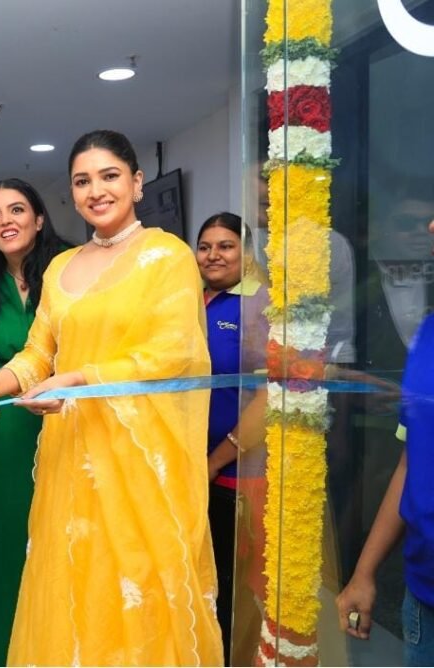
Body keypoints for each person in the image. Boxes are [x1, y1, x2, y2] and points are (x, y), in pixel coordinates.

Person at [0, 130, 223, 666]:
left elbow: (174, 353)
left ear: (137, 182)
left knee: (133, 583)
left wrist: (80, 379)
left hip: (139, 454)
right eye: (82, 181)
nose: (96, 190)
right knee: (70, 579)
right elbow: (39, 352)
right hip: (69, 452)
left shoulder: (167, 256)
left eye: (109, 176)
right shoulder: (60, 267)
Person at [0, 178, 68, 667]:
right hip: (12, 427)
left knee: (65, 533)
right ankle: (4, 652)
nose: (5, 221)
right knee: (8, 537)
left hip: (71, 417)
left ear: (39, 218)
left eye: (16, 210)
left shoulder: (70, 269)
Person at [336, 217, 434, 667]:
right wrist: (364, 573)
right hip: (423, 595)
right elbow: (412, 461)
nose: (430, 226)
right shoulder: (427, 336)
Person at [195, 212, 269, 664]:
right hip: (190, 470)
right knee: (200, 586)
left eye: (225, 246)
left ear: (247, 253)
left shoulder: (258, 305)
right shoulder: (192, 301)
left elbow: (269, 398)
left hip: (235, 476)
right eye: (205, 247)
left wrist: (216, 460)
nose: (213, 255)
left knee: (234, 593)